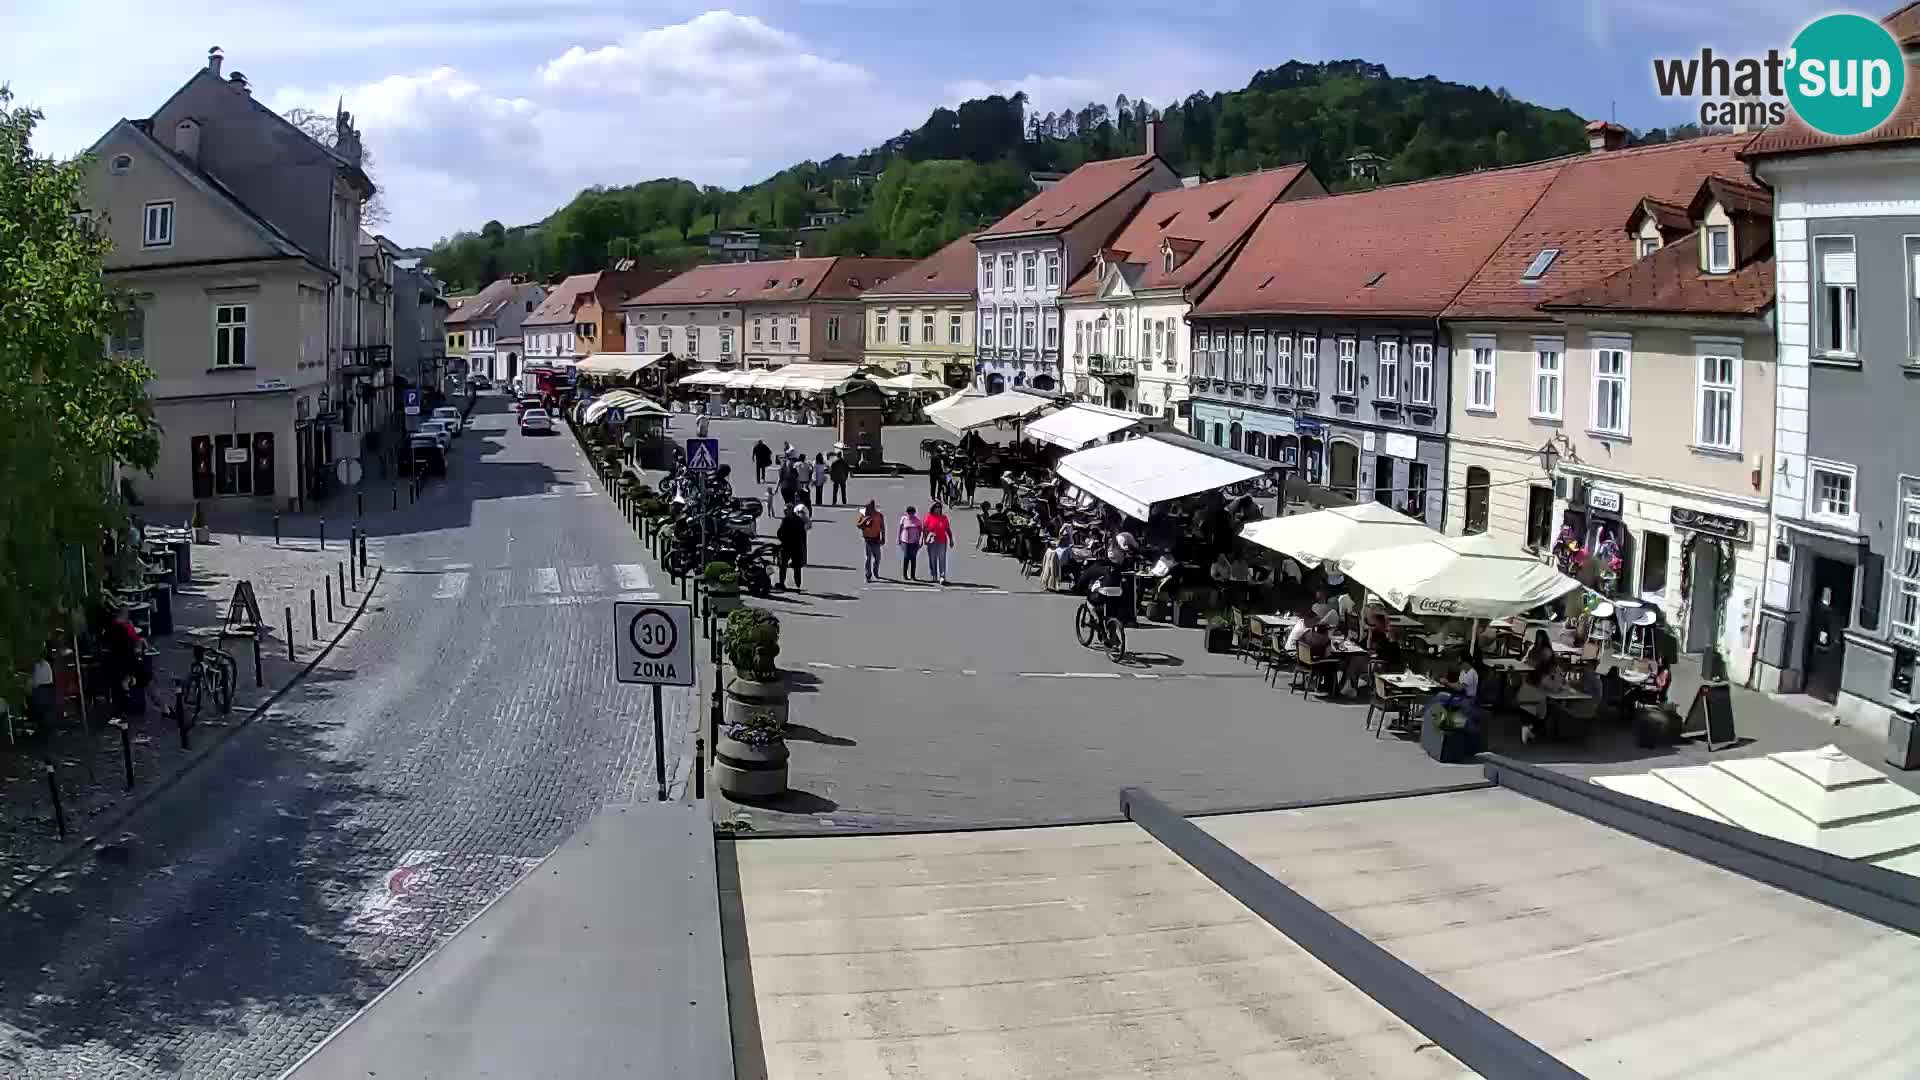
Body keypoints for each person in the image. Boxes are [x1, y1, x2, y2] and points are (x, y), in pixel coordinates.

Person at [776, 503, 808, 590]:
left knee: (795, 566)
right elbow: (780, 533)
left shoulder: (794, 520)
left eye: (787, 510)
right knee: (784, 565)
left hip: (793, 546)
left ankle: (797, 584)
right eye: (785, 511)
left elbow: (780, 533)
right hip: (789, 545)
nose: (786, 512)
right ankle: (783, 583)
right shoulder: (791, 520)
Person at [923, 501, 954, 586]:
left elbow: (947, 529)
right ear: (933, 509)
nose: (938, 509)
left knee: (942, 558)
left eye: (939, 507)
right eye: (936, 507)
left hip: (942, 540)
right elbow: (925, 528)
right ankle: (934, 576)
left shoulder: (944, 518)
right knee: (932, 559)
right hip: (932, 541)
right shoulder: (929, 517)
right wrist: (925, 538)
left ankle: (942, 576)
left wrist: (951, 539)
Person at [857, 501, 886, 581]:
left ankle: (875, 570)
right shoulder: (863, 514)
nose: (866, 509)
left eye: (868, 508)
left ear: (873, 508)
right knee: (868, 558)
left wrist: (883, 538)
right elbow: (858, 525)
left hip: (876, 539)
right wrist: (864, 520)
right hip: (867, 540)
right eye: (866, 508)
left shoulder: (879, 515)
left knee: (878, 558)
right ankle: (868, 575)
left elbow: (882, 527)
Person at [897, 505, 924, 582]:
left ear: (914, 513)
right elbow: (900, 529)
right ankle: (905, 574)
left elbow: (920, 531)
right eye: (909, 513)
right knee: (906, 557)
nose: (910, 514)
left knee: (913, 558)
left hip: (914, 541)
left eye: (912, 513)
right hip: (905, 541)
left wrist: (920, 540)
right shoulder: (903, 519)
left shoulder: (917, 520)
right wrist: (898, 539)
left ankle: (913, 575)